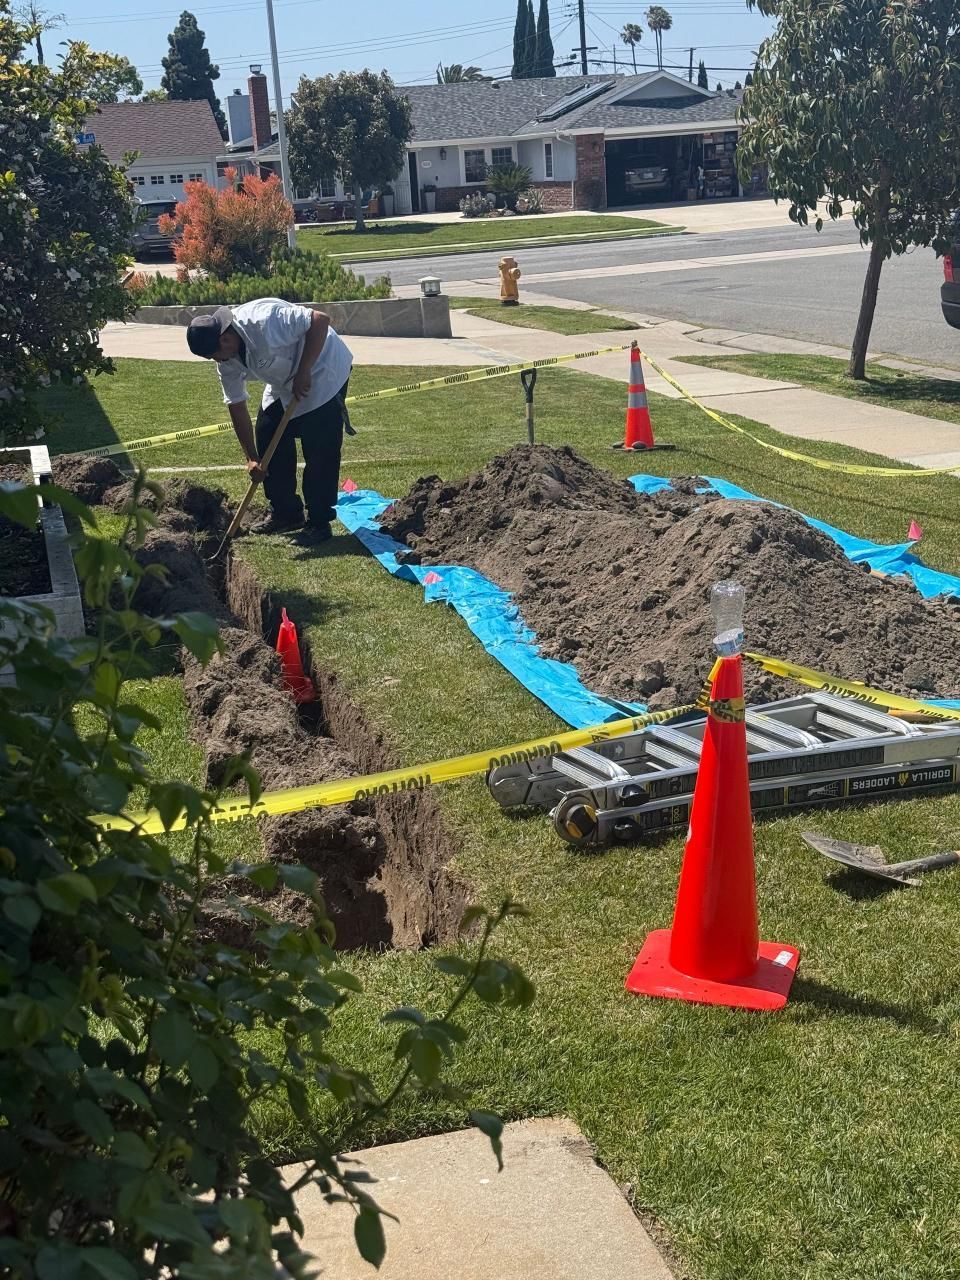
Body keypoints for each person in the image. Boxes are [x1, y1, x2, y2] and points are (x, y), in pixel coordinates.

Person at [185, 299, 353, 539]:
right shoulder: (226, 360)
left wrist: (305, 370)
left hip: (323, 368)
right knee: (267, 433)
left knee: (319, 448)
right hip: (282, 381)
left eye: (215, 355)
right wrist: (251, 458)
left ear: (225, 339)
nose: (217, 361)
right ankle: (286, 513)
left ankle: (319, 521)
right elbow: (236, 404)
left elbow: (319, 320)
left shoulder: (264, 321)